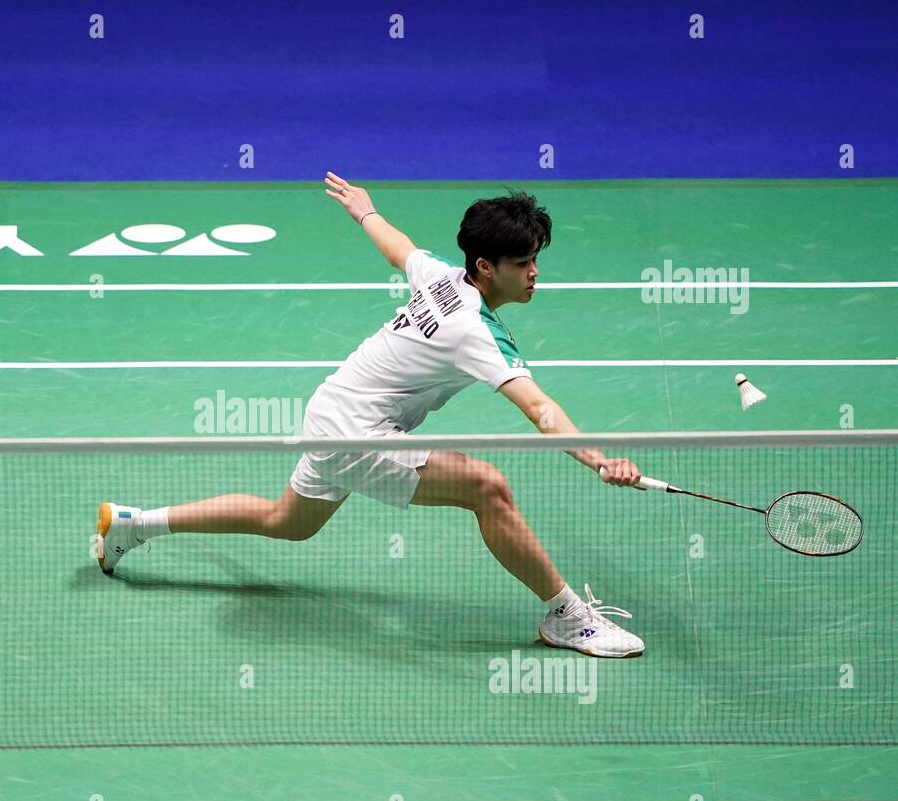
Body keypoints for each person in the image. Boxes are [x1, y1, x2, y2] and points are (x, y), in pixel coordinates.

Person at [92, 172, 645, 657]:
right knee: (487, 488)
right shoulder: (474, 329)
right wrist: (598, 461)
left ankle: (134, 525)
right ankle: (568, 618)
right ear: (485, 266)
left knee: (285, 522)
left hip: (330, 413)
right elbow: (540, 408)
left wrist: (366, 211)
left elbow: (399, 249)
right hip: (355, 435)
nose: (534, 273)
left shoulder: (441, 278)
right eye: (523, 263)